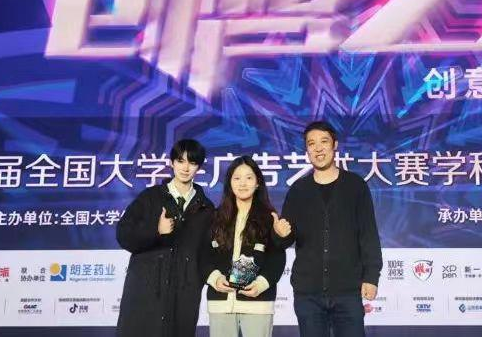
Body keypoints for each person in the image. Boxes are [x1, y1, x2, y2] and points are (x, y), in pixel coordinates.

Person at [272, 121, 383, 337]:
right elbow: (285, 239)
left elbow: (368, 234)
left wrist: (371, 276)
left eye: (324, 141)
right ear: (307, 150)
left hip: (347, 291)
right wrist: (279, 234)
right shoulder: (298, 189)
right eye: (311, 143)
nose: (318, 148)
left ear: (335, 145)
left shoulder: (355, 185)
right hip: (308, 294)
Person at [116, 139, 214, 337]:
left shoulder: (207, 208)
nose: (185, 168)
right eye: (180, 161)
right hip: (146, 291)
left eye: (192, 162)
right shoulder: (150, 197)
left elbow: (207, 254)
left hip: (184, 295)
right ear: (172, 163)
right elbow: (123, 235)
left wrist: (197, 280)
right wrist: (156, 231)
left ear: (199, 167)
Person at [206, 155, 286, 337]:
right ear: (229, 183)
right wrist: (214, 278)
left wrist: (261, 284)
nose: (242, 183)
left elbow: (277, 258)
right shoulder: (216, 217)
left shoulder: (269, 218)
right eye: (237, 178)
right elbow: (204, 255)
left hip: (258, 302)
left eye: (249, 178)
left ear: (258, 183)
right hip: (221, 303)